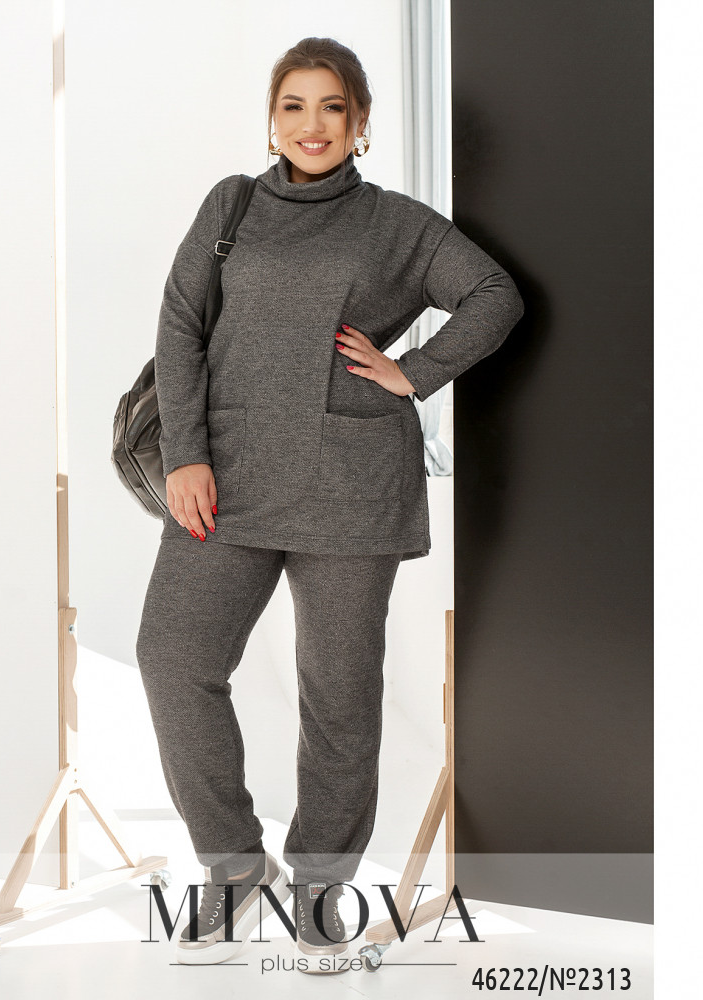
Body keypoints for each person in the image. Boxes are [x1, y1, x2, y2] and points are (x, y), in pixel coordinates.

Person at [136, 36, 524, 975]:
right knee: (174, 657)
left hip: (350, 486)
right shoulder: (231, 204)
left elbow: (493, 294)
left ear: (360, 123)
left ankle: (318, 893)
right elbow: (182, 327)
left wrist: (413, 371)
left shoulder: (396, 225)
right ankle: (234, 870)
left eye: (333, 107)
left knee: (338, 694)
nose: (312, 125)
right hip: (226, 478)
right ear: (272, 118)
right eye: (294, 106)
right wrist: (186, 455)